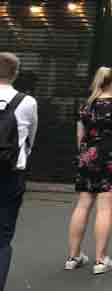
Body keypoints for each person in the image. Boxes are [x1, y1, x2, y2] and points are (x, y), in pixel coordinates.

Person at [66, 67, 112, 275]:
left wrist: (85, 155)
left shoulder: (87, 105)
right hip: (109, 159)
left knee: (83, 205)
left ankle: (73, 256)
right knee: (105, 209)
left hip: (87, 158)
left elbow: (80, 135)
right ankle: (100, 259)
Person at [0, 53, 37, 291]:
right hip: (11, 173)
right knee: (3, 236)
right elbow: (31, 138)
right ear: (15, 73)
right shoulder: (27, 102)